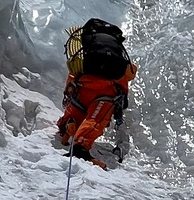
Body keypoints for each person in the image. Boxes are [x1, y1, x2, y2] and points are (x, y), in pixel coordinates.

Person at [54, 18, 137, 168]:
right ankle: (80, 149)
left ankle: (67, 125)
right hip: (105, 93)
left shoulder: (85, 50)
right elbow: (130, 73)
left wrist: (69, 91)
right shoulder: (117, 54)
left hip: (83, 89)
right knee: (95, 121)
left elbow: (73, 72)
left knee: (77, 114)